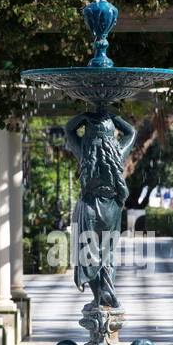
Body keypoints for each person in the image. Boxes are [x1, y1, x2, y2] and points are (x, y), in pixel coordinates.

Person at [64, 109, 136, 308]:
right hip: (111, 207)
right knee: (108, 253)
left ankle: (98, 298)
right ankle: (108, 291)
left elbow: (69, 130)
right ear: (111, 137)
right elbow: (131, 133)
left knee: (89, 255)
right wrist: (113, 116)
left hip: (89, 206)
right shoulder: (117, 153)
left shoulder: (85, 153)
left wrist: (85, 116)